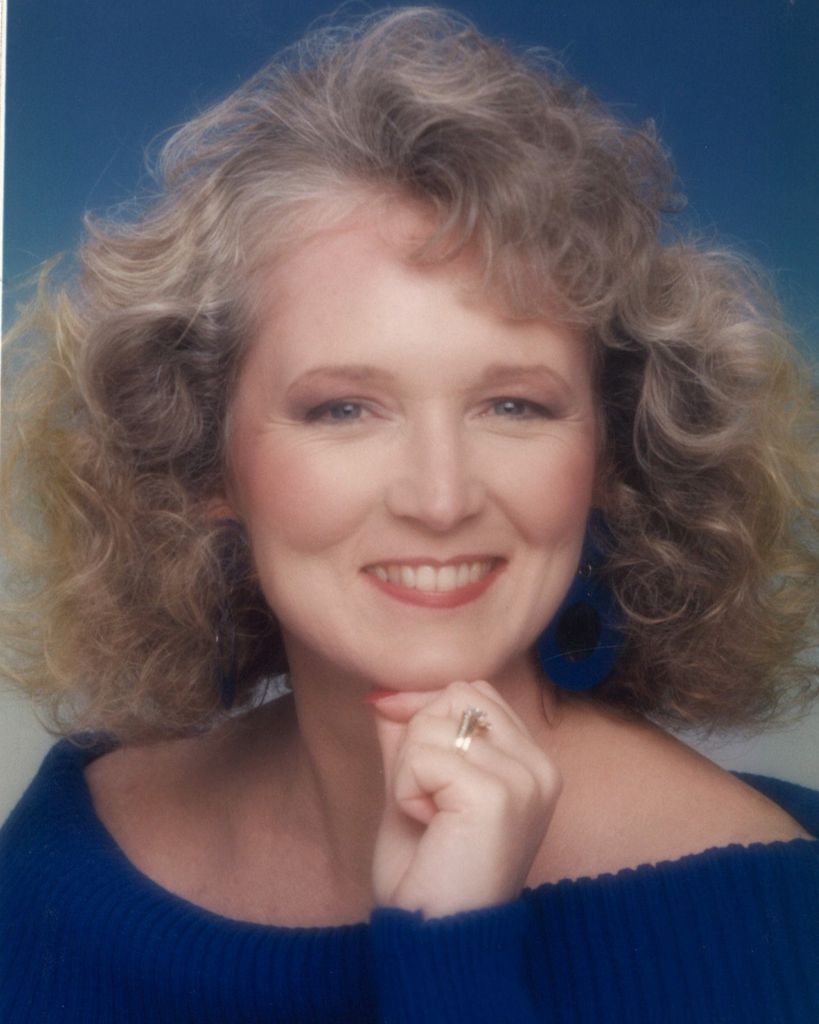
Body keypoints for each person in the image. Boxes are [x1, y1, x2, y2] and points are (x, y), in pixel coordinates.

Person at [1, 7, 817, 1022]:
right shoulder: (65, 864)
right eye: (343, 409)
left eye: (513, 406)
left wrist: (450, 956)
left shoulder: (775, 918)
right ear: (206, 459)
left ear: (610, 454)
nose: (440, 498)